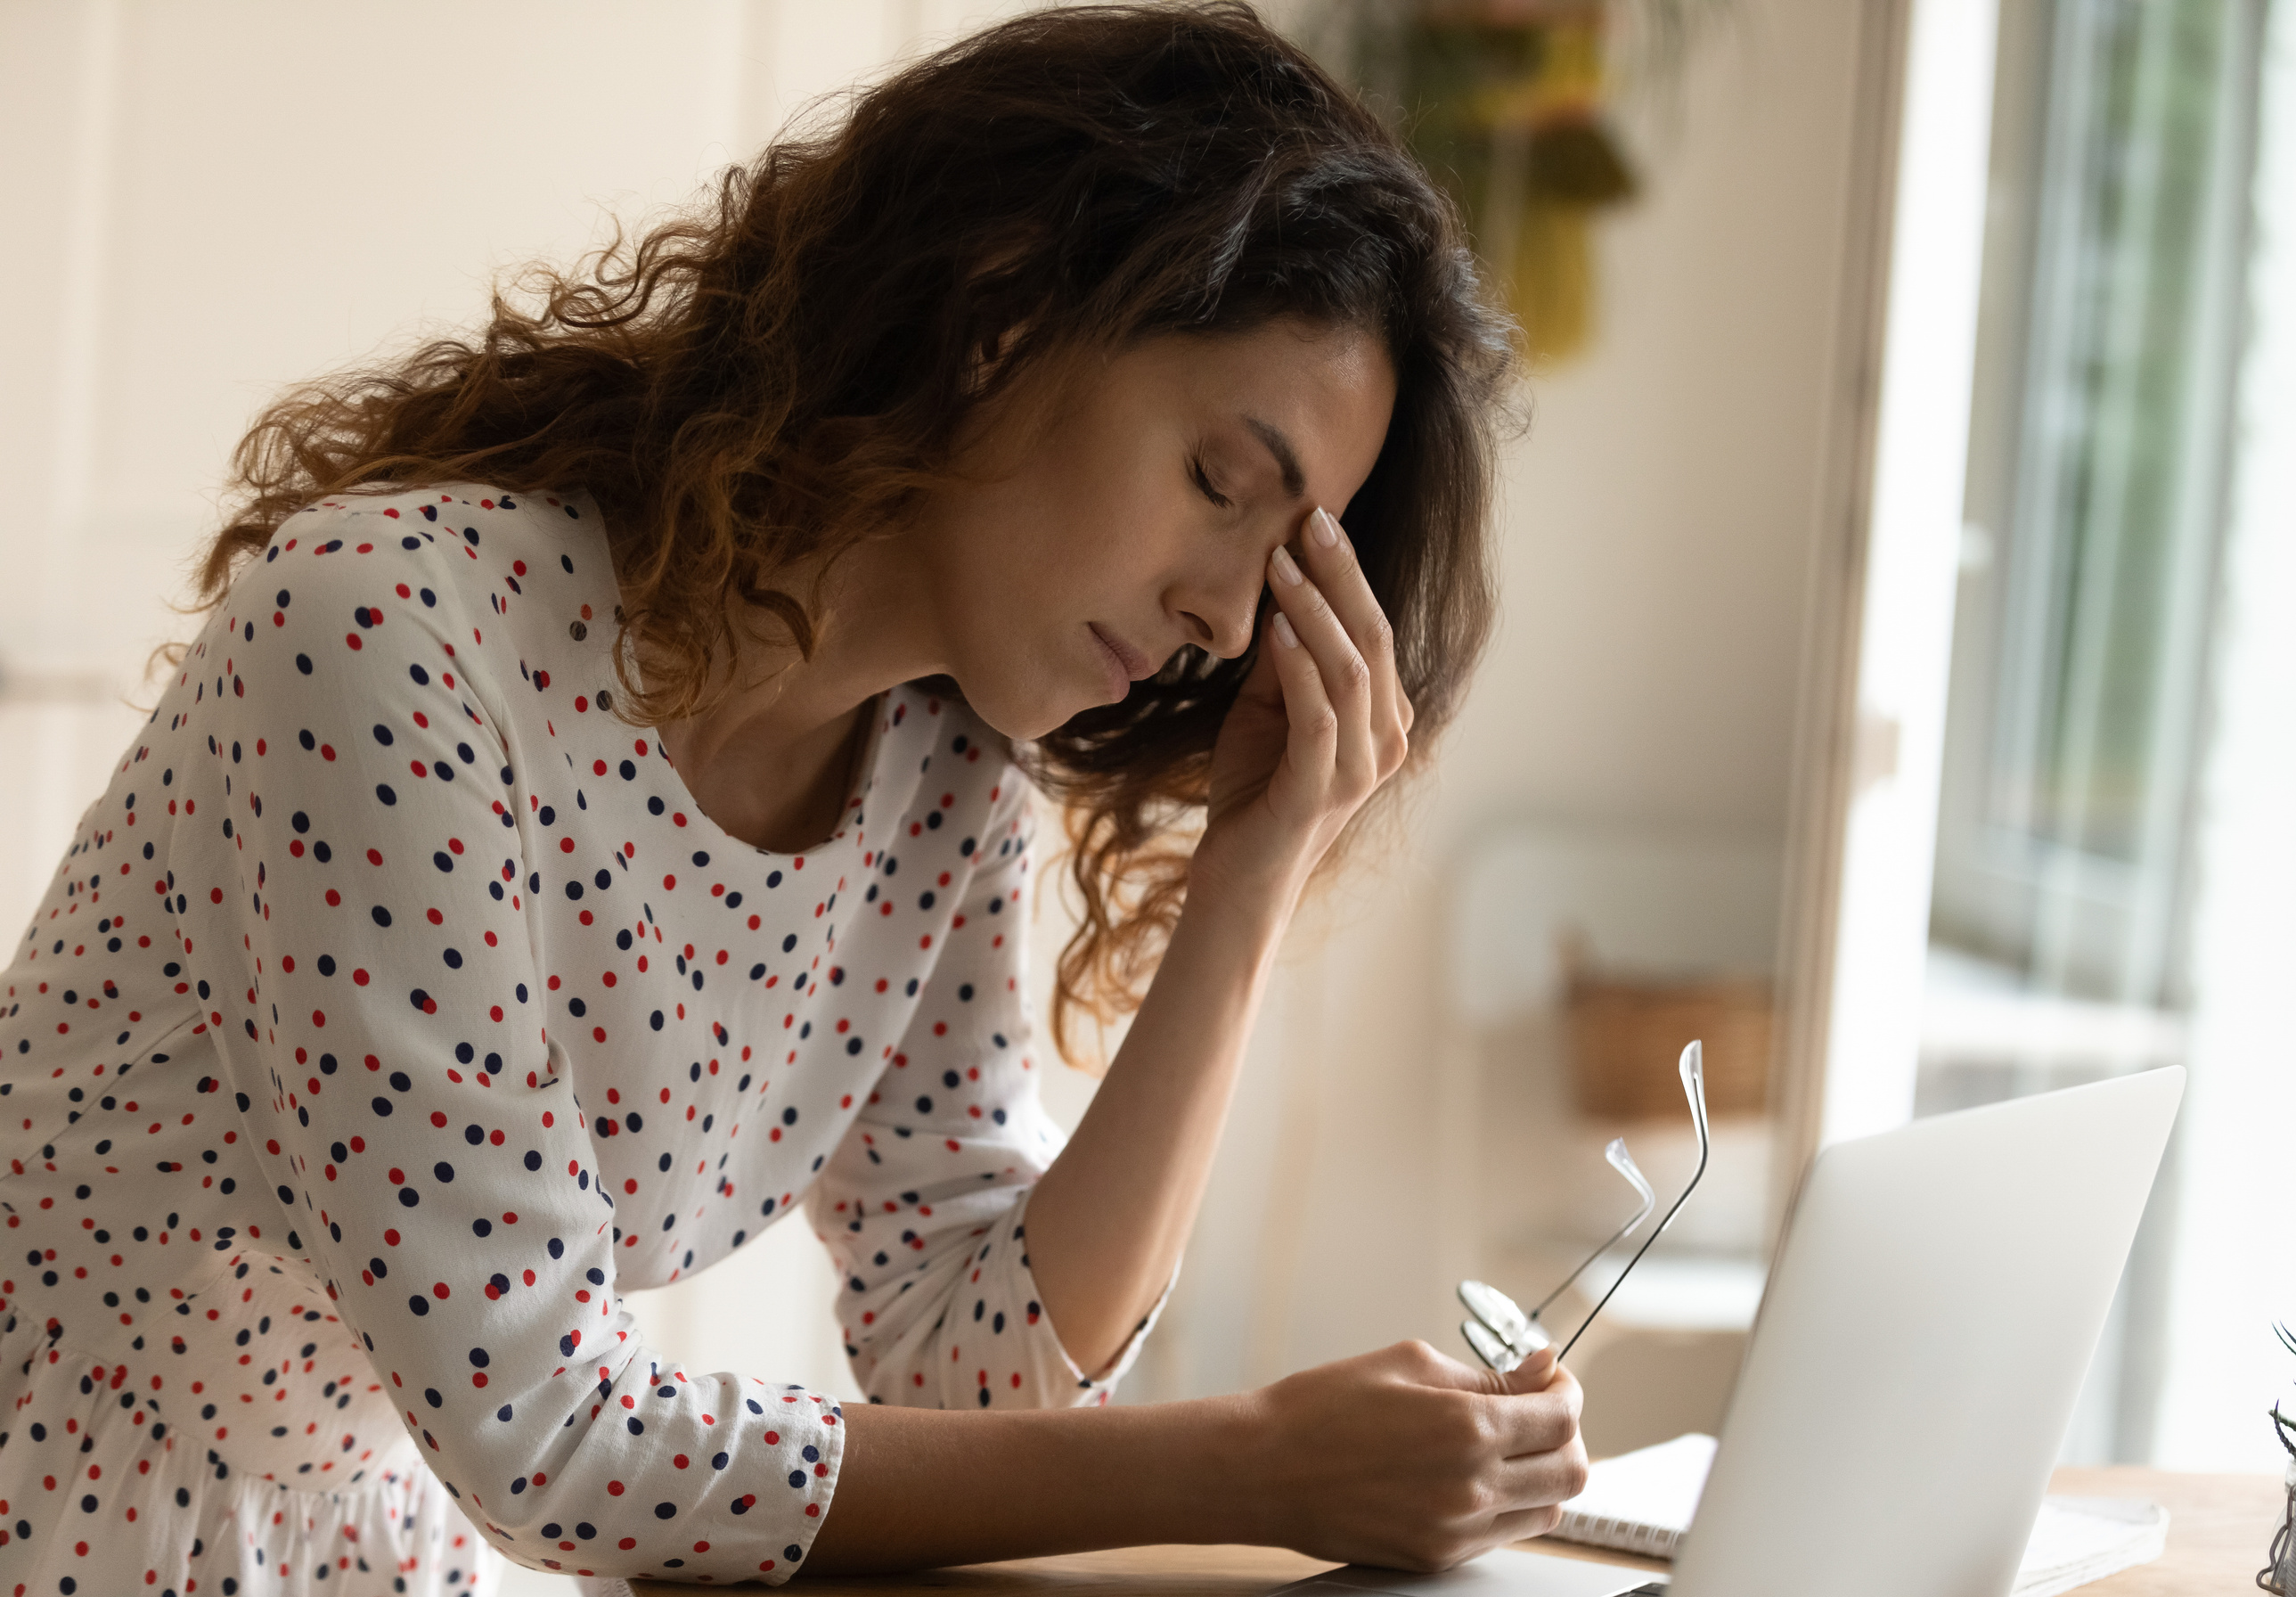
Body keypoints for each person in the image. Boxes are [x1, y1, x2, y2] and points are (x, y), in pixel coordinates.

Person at [0, 3, 1590, 1589]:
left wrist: (1254, 866)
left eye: (1286, 561)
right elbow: (543, 1426)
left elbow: (974, 1370)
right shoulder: (389, 639)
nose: (1229, 624)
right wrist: (1255, 1464)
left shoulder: (939, 771)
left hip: (356, 1548)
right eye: (1219, 485)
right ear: (1003, 314)